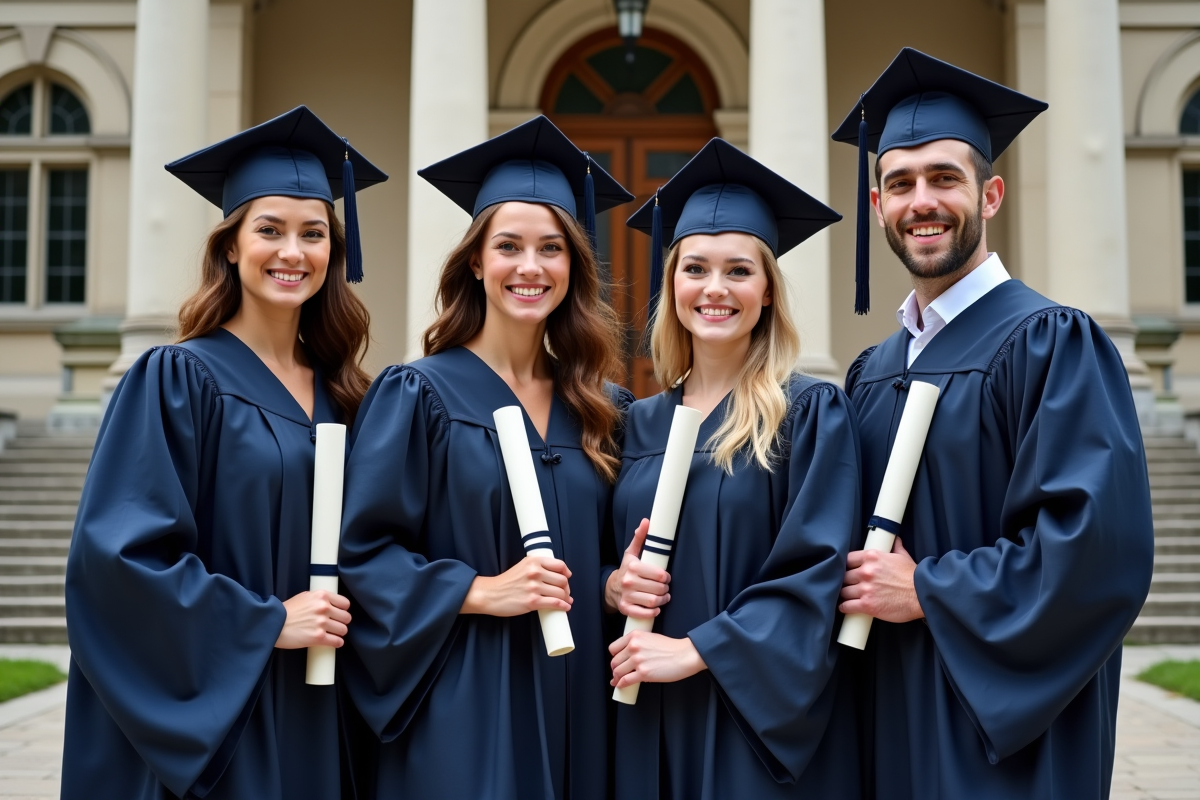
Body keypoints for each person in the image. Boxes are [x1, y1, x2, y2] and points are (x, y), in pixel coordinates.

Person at [831, 48, 1155, 799]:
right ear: (876, 206)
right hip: (886, 713)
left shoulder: (1051, 342)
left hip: (1002, 733)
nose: (922, 202)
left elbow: (1097, 552)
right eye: (900, 183)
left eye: (945, 178)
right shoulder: (870, 371)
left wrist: (930, 591)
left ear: (991, 193)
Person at [61, 106, 387, 800]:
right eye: (268, 230)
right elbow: (118, 561)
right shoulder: (176, 380)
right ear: (231, 246)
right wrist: (267, 622)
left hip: (321, 708)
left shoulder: (349, 398)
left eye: (313, 233)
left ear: (335, 250)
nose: (292, 253)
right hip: (223, 713)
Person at [337, 115, 633, 800]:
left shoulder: (600, 407)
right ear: (476, 260)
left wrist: (612, 580)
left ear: (573, 265)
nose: (530, 268)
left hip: (583, 701)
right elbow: (364, 555)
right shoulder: (418, 394)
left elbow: (605, 550)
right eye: (509, 247)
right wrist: (479, 591)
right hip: (466, 705)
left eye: (551, 249)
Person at [606, 138, 862, 799]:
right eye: (695, 268)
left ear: (769, 291)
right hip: (643, 716)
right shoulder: (635, 423)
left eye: (739, 270)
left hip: (751, 722)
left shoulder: (809, 415)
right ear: (672, 286)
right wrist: (614, 586)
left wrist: (696, 651)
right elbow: (604, 558)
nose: (715, 289)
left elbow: (815, 575)